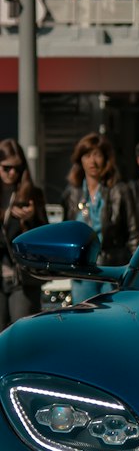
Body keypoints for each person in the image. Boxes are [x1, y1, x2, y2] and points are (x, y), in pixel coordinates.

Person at [61, 133, 138, 303]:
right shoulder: (71, 193)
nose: (92, 161)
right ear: (80, 159)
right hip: (81, 270)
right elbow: (66, 233)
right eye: (87, 155)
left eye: (97, 155)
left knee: (114, 321)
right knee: (83, 322)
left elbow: (133, 234)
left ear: (106, 159)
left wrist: (135, 269)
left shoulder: (120, 190)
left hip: (112, 269)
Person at [0, 138, 48, 326]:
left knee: (22, 330)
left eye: (18, 169)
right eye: (6, 168)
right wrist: (6, 214)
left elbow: (44, 234)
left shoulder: (33, 194)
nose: (12, 173)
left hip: (22, 276)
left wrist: (30, 219)